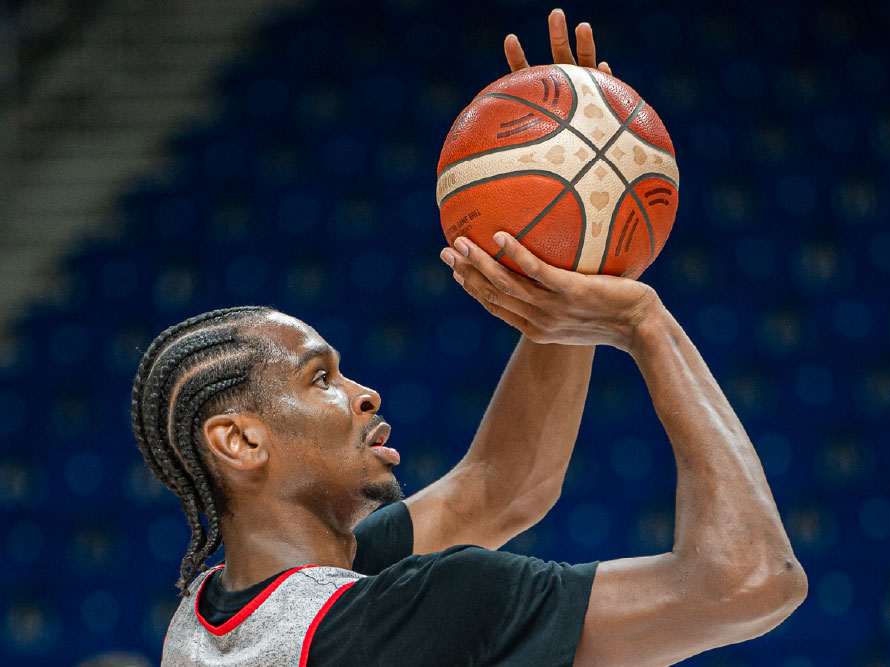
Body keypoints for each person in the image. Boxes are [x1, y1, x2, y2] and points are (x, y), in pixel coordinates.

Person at [133, 10, 807, 666]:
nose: (365, 394)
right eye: (321, 378)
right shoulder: (414, 613)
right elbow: (750, 580)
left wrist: (570, 254)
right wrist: (645, 324)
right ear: (240, 440)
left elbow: (503, 486)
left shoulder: (207, 615)